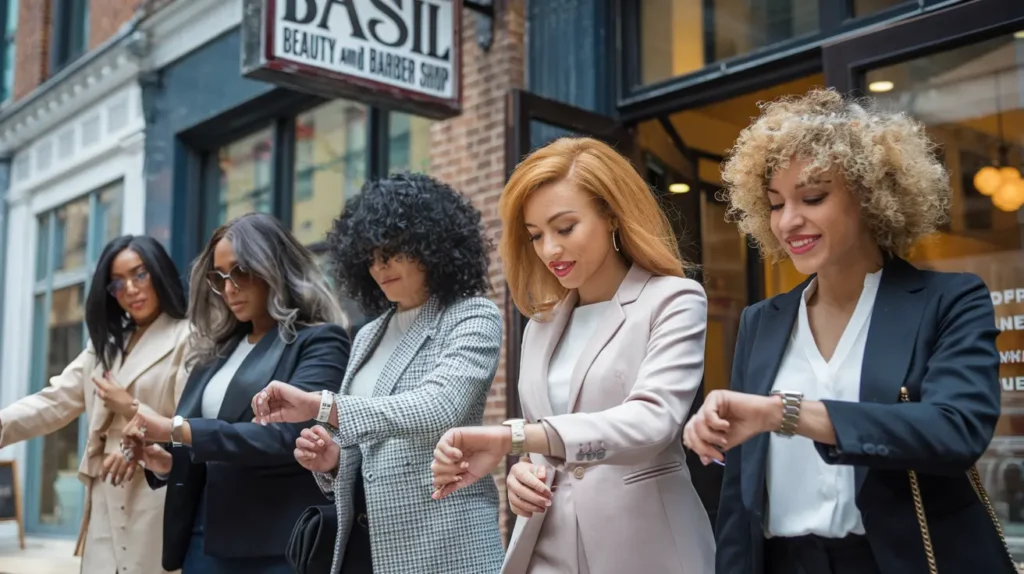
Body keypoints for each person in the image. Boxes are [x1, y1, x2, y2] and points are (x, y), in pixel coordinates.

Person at [683, 88, 1015, 574]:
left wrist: (784, 413)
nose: (789, 221)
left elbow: (955, 430)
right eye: (775, 204)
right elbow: (742, 497)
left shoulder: (950, 300)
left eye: (812, 197)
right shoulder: (763, 320)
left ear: (870, 194)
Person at [428, 137, 716, 574]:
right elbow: (545, 448)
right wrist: (523, 473)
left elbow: (653, 422)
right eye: (536, 236)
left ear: (612, 216)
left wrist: (516, 438)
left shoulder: (674, 300)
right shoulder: (542, 326)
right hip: (548, 546)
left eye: (565, 228)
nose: (549, 251)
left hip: (646, 547)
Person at [249, 173, 505, 574]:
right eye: (370, 255)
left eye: (393, 251)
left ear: (431, 245)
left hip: (443, 546)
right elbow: (367, 449)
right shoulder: (368, 333)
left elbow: (437, 407)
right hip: (362, 547)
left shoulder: (472, 315)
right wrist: (333, 462)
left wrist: (322, 405)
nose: (379, 266)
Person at [120, 213, 351, 574]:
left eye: (240, 272)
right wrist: (162, 461)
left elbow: (288, 439)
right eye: (219, 277)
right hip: (202, 539)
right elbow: (208, 451)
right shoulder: (216, 352)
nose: (229, 288)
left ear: (272, 268)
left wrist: (176, 429)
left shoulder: (319, 341)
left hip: (275, 544)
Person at [0, 234, 190, 573]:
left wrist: (130, 407)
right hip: (104, 493)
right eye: (117, 283)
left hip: (154, 493)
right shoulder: (105, 346)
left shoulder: (187, 337)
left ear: (159, 272)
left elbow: (188, 426)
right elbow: (53, 402)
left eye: (139, 274)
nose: (130, 288)